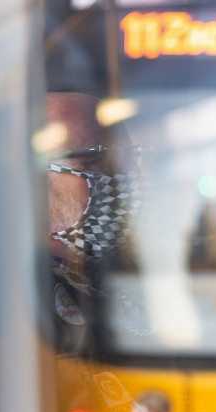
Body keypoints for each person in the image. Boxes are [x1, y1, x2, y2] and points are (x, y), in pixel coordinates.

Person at [45, 92, 141, 353]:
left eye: (117, 165)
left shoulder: (127, 271)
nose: (111, 181)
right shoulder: (14, 289)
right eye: (90, 163)